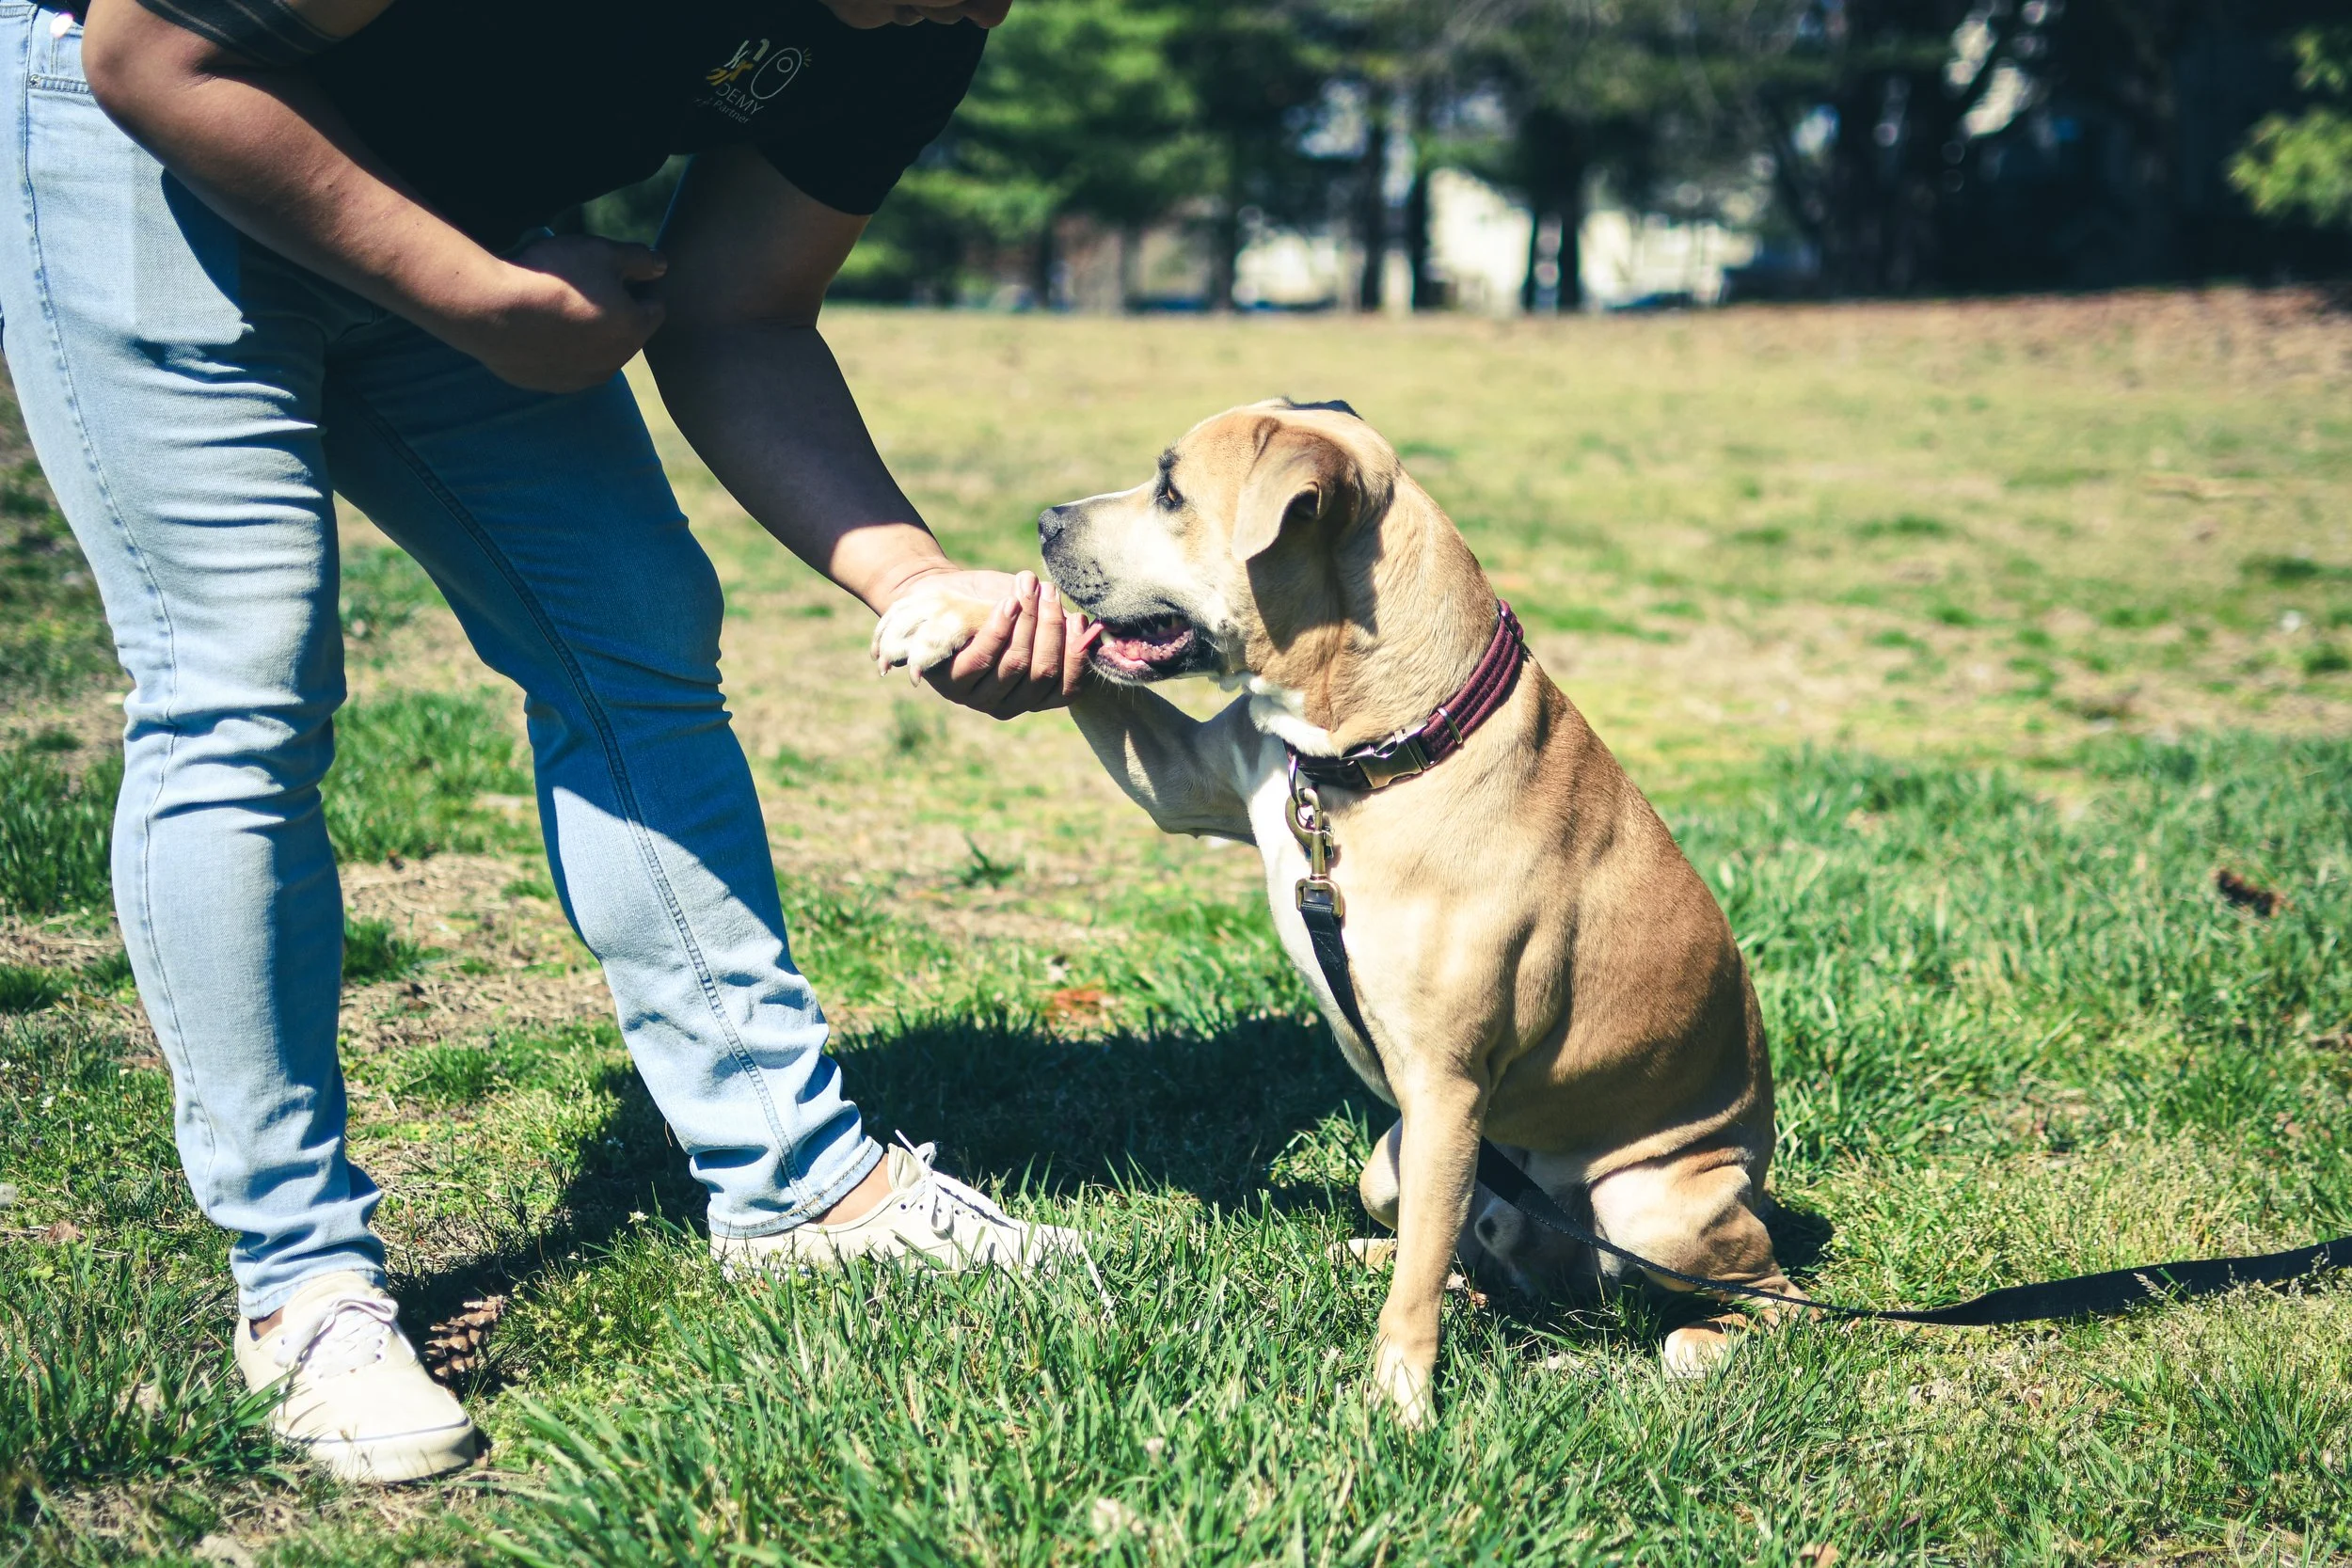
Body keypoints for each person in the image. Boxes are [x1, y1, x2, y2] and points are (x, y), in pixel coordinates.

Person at [0, 0, 1089, 1484]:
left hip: (462, 216)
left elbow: (739, 308)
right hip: (159, 138)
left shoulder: (921, 25)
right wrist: (475, 294)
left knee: (635, 628)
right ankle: (303, 1287)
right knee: (242, 679)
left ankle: (800, 1190)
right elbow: (154, 49)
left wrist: (912, 577)